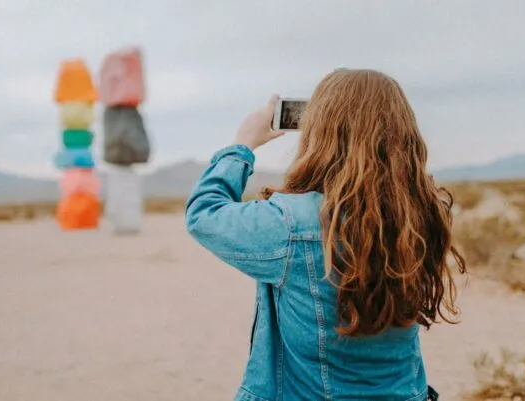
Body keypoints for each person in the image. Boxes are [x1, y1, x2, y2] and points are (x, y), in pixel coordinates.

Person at [185, 69, 465, 401]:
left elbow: (204, 213)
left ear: (320, 132)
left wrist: (243, 144)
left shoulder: (291, 224)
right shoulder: (421, 213)